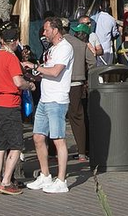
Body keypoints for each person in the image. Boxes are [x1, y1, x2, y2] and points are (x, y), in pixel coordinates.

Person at [27, 16, 74, 195]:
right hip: (45, 98)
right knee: (38, 137)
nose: (44, 33)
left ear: (55, 30)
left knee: (58, 139)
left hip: (57, 99)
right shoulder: (51, 49)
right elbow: (46, 73)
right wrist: (32, 74)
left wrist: (34, 66)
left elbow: (55, 72)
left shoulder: (65, 48)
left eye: (46, 30)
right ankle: (45, 175)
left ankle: (61, 180)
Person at [0, 24, 30, 195]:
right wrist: (29, 85)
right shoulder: (12, 59)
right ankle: (6, 181)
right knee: (16, 145)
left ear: (2, 41)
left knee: (0, 145)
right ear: (15, 42)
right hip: (9, 104)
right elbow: (18, 82)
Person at [66, 19, 97, 162]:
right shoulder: (83, 46)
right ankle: (83, 151)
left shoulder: (72, 44)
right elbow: (93, 63)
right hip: (80, 84)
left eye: (77, 32)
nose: (75, 34)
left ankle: (83, 151)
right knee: (81, 116)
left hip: (70, 84)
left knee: (76, 116)